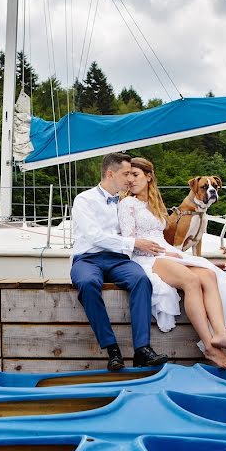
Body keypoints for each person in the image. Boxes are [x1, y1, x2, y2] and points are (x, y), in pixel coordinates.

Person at [118, 157, 226, 369]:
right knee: (191, 280)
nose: (130, 179)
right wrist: (162, 252)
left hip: (165, 251)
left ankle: (221, 333)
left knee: (209, 274)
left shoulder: (155, 203)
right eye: (128, 175)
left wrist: (171, 252)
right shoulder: (127, 204)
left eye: (135, 174)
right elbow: (129, 240)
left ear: (149, 177)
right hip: (146, 257)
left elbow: (163, 234)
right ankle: (210, 347)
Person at [70, 152, 169, 371]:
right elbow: (95, 236)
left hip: (117, 259)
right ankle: (112, 348)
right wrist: (133, 243)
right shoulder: (84, 200)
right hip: (88, 258)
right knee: (87, 284)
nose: (129, 179)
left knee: (141, 281)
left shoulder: (125, 202)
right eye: (126, 174)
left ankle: (142, 349)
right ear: (110, 173)